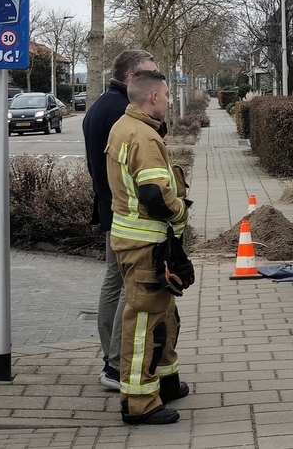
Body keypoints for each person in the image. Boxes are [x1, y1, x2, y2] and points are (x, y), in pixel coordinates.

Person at [107, 70, 193, 425]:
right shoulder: (143, 137)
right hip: (146, 242)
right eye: (168, 95)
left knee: (163, 315)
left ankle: (166, 381)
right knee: (144, 321)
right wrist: (179, 215)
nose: (171, 101)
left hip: (138, 240)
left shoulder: (125, 127)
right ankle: (139, 402)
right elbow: (154, 194)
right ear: (154, 97)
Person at [83, 49, 158, 391]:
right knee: (127, 288)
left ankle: (109, 358)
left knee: (112, 284)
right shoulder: (122, 115)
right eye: (151, 76)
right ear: (132, 79)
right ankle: (116, 363)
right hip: (127, 217)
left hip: (110, 210)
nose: (158, 85)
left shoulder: (98, 106)